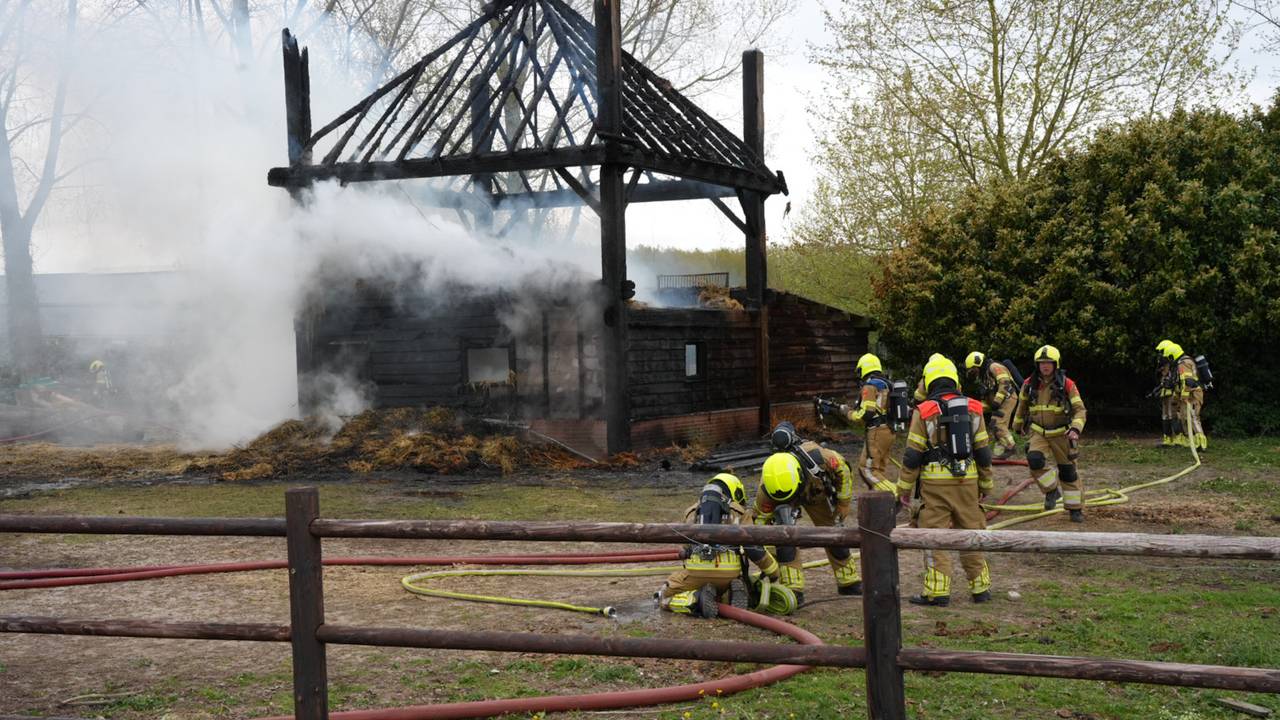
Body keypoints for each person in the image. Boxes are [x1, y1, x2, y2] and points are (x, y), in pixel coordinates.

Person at [895, 354, 994, 606]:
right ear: (955, 380)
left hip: (935, 486)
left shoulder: (924, 411)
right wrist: (986, 484)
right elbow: (982, 451)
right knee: (972, 533)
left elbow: (912, 455)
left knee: (934, 536)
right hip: (968, 482)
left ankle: (938, 593)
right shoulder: (974, 407)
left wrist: (903, 490)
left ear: (929, 382)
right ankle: (981, 589)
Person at [656, 473, 781, 618]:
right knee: (734, 583)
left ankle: (696, 599)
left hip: (697, 573)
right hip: (729, 573)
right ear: (735, 491)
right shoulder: (741, 512)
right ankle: (728, 596)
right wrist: (773, 572)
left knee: (663, 597)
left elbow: (685, 548)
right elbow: (754, 548)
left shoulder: (691, 511)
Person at [752, 446, 861, 607]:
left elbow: (843, 469)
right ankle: (793, 589)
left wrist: (843, 502)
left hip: (814, 491)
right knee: (784, 537)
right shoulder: (767, 491)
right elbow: (759, 527)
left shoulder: (820, 459)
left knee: (832, 533)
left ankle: (849, 582)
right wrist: (770, 553)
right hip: (785, 501)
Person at [1012, 345, 1088, 523]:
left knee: (1068, 472)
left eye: (1048, 363)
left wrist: (1076, 429)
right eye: (1041, 363)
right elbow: (1022, 406)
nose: (1045, 366)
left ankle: (1075, 509)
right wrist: (1017, 424)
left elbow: (1080, 410)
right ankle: (1051, 491)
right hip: (1039, 432)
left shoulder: (1067, 384)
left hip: (1062, 434)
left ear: (1056, 364)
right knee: (1035, 460)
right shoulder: (1029, 385)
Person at [832, 353, 897, 493]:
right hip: (890, 430)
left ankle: (895, 494)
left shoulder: (870, 386)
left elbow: (867, 413)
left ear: (864, 369)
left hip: (877, 432)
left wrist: (848, 413)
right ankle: (881, 502)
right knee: (878, 469)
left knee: (867, 470)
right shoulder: (886, 384)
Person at [963, 352, 1019, 459]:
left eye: (972, 369)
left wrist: (997, 401)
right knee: (993, 424)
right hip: (1000, 401)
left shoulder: (994, 367)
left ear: (978, 363)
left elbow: (1005, 383)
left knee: (998, 423)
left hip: (1007, 398)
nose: (972, 373)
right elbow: (987, 397)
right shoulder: (984, 376)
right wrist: (973, 407)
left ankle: (1011, 447)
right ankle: (1000, 451)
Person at [1165, 342, 1207, 450]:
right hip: (1188, 394)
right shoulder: (1182, 362)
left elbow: (1188, 381)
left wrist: (1184, 397)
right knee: (1184, 417)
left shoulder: (1183, 363)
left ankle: (1201, 442)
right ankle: (1192, 441)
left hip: (1193, 394)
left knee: (1193, 417)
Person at [1153, 340, 1180, 448]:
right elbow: (1159, 376)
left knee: (1173, 414)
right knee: (1165, 415)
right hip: (1164, 391)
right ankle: (1167, 438)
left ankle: (1177, 438)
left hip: (1172, 392)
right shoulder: (1163, 363)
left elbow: (1173, 379)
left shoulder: (1173, 363)